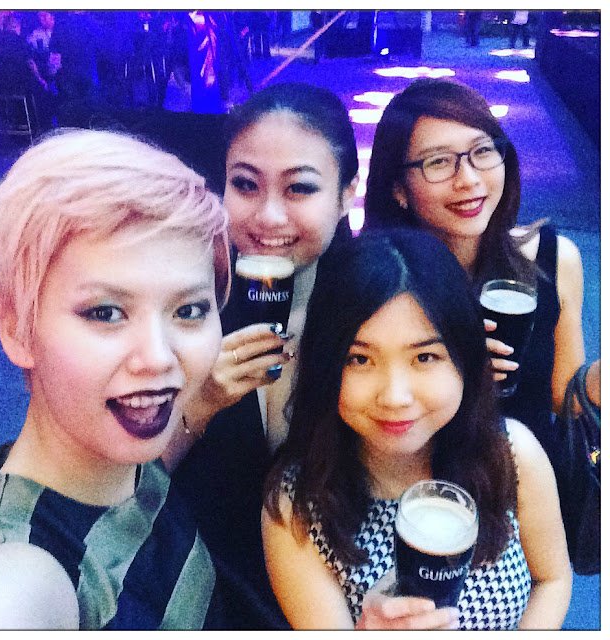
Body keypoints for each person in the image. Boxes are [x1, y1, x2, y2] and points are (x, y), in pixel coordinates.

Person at [0, 129, 231, 630]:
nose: (158, 358)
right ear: (17, 329)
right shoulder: (24, 569)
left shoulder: (121, 458)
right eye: (106, 312)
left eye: (189, 310)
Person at [262, 228, 572, 629]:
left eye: (424, 357)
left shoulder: (513, 454)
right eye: (359, 359)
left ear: (464, 357)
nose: (395, 397)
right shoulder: (295, 506)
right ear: (327, 367)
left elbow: (552, 579)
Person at [164, 82, 359, 629]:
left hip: (345, 601)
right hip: (206, 594)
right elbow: (123, 482)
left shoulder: (383, 307)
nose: (269, 217)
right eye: (245, 185)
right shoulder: (180, 302)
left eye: (300, 188)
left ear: (347, 194)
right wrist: (200, 405)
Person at [363, 77, 599, 465]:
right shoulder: (374, 279)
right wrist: (446, 366)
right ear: (398, 189)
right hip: (428, 485)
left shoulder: (553, 258)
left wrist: (597, 381)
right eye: (438, 162)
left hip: (534, 479)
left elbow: (562, 396)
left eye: (482, 151)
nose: (469, 180)